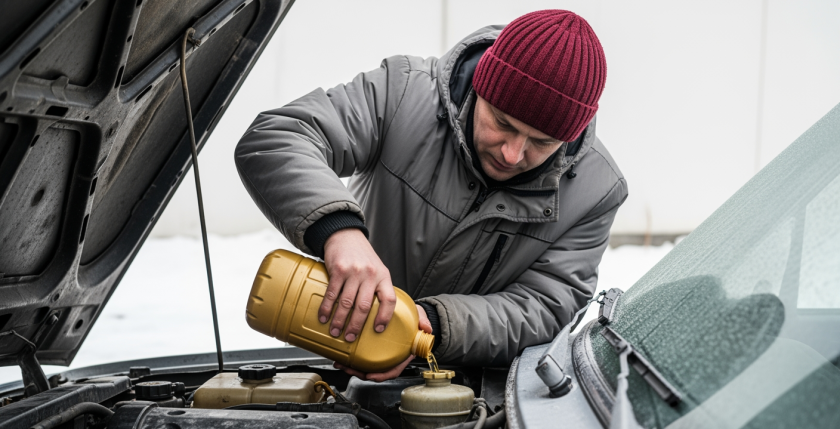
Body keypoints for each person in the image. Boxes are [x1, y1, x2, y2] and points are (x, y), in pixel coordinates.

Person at [235, 10, 627, 381]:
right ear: (480, 86)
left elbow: (546, 307)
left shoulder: (596, 191)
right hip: (332, 352)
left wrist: (437, 324)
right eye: (501, 122)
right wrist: (339, 232)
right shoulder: (402, 93)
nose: (512, 153)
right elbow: (278, 138)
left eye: (542, 142)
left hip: (466, 385)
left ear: (568, 136)